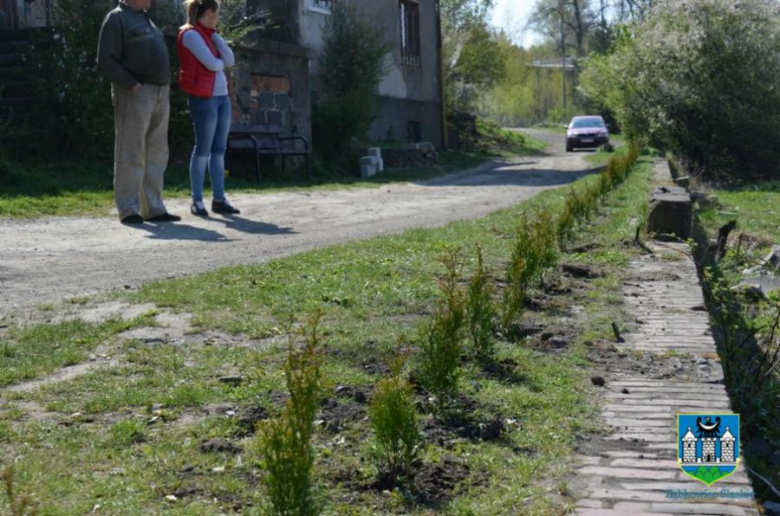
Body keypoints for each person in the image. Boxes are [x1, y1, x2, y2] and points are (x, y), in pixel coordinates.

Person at [97, 0, 180, 224]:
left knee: (157, 152)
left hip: (160, 92)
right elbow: (105, 60)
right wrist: (131, 83)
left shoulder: (146, 18)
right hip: (135, 92)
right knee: (131, 150)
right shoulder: (116, 18)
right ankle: (129, 209)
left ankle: (154, 207)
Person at [178, 0, 240, 217]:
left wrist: (216, 38)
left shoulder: (210, 35)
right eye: (217, 14)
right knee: (203, 148)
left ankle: (219, 199)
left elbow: (229, 60)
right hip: (204, 99)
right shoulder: (190, 34)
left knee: (218, 150)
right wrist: (219, 61)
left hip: (222, 98)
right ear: (210, 12)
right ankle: (197, 200)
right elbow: (212, 64)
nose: (219, 18)